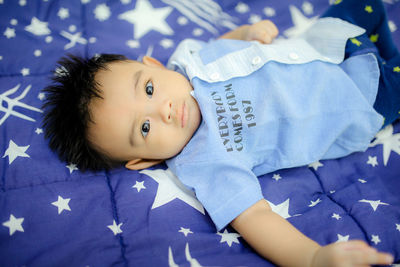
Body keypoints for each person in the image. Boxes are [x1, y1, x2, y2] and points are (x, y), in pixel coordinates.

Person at [42, 0, 399, 265]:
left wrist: (246, 34)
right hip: (363, 96)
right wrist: (313, 257)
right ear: (144, 160)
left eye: (149, 89)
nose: (162, 109)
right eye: (145, 127)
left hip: (328, 41)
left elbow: (223, 42)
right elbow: (255, 218)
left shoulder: (187, 58)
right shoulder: (204, 162)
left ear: (153, 65)